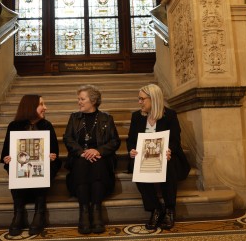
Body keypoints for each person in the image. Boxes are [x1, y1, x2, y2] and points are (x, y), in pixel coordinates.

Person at [127, 84, 190, 230]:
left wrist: (169, 151)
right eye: (139, 99)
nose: (139, 102)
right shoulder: (136, 116)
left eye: (142, 99)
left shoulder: (170, 115)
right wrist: (132, 150)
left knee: (168, 164)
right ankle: (155, 208)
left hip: (167, 156)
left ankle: (169, 209)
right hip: (144, 156)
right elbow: (131, 140)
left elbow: (175, 140)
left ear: (153, 99)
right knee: (137, 166)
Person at [0, 95, 62, 236]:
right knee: (13, 167)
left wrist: (51, 157)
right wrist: (7, 158)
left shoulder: (47, 125)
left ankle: (39, 211)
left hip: (42, 168)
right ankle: (18, 213)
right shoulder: (14, 126)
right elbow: (5, 154)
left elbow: (55, 154)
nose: (45, 107)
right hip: (22, 165)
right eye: (41, 104)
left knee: (47, 166)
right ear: (30, 107)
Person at [63, 84, 121, 234]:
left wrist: (98, 150)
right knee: (82, 162)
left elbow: (115, 141)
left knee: (98, 162)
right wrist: (81, 152)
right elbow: (68, 139)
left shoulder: (106, 119)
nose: (79, 102)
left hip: (100, 158)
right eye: (79, 99)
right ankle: (84, 211)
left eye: (82, 99)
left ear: (93, 101)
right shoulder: (74, 118)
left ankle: (96, 210)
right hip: (79, 157)